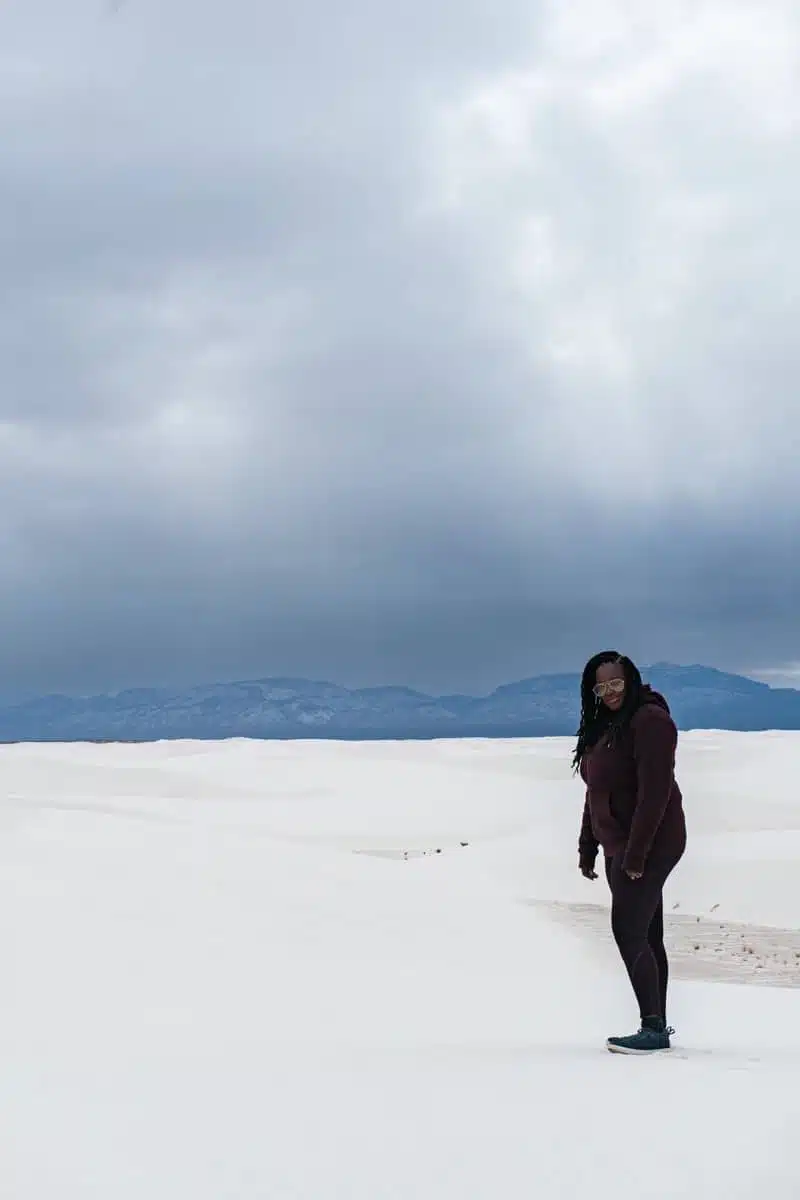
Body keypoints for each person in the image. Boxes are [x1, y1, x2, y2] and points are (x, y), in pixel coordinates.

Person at [574, 651, 686, 1054]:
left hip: (651, 842)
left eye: (616, 684)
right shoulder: (606, 726)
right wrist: (589, 846)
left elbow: (655, 794)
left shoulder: (650, 722)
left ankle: (652, 1028)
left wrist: (636, 855)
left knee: (629, 930)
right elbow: (596, 793)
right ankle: (657, 1022)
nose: (609, 693)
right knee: (646, 932)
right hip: (619, 844)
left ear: (631, 679)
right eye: (600, 687)